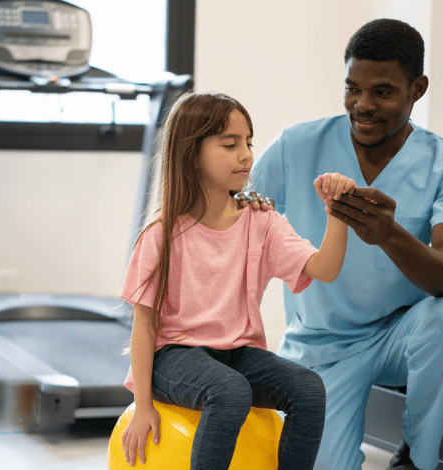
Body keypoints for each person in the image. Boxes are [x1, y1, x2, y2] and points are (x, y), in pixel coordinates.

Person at [249, 19, 443, 470]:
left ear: (417, 89)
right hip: (321, 345)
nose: (363, 105)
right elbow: (232, 226)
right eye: (352, 88)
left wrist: (388, 234)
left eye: (382, 91)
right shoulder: (295, 146)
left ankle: (416, 457)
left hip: (399, 335)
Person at [118, 91, 355, 470]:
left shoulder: (262, 222)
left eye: (248, 142)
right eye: (230, 144)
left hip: (236, 352)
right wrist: (143, 406)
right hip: (173, 355)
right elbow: (144, 326)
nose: (246, 154)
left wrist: (337, 214)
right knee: (229, 392)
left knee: (309, 389)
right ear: (190, 152)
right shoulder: (161, 234)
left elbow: (324, 268)